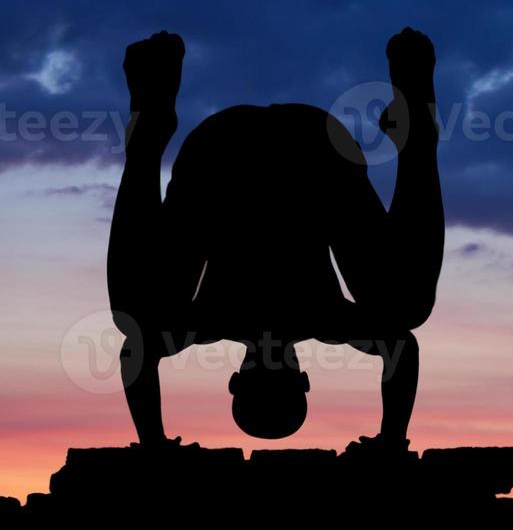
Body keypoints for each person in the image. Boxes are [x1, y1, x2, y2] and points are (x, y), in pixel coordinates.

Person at [106, 28, 444, 454]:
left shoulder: (322, 322)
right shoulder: (220, 323)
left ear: (302, 382)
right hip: (231, 148)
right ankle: (146, 137)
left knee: (406, 309)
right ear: (234, 382)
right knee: (134, 318)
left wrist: (392, 439)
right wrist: (152, 443)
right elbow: (135, 354)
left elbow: (402, 350)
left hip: (305, 147)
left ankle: (148, 132)